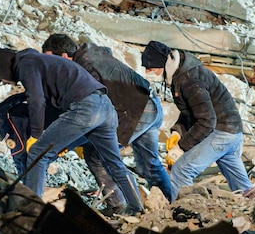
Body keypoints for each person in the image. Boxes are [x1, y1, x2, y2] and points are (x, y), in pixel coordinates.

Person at [0, 47, 144, 213]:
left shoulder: (26, 64)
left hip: (85, 107)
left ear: (1, 67)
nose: (2, 82)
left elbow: (37, 101)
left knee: (37, 154)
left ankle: (30, 211)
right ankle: (137, 208)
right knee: (114, 164)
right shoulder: (39, 61)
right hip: (106, 107)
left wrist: (36, 135)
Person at [41, 34, 173, 201]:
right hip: (149, 103)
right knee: (150, 163)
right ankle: (171, 201)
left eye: (51, 60)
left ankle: (123, 205)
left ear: (65, 56)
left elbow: (89, 110)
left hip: (134, 112)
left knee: (101, 156)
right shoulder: (91, 54)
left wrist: (65, 141)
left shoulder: (84, 67)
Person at [140, 40, 255, 201]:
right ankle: (254, 206)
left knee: (181, 169)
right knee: (243, 188)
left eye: (152, 68)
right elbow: (191, 111)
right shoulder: (182, 73)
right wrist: (177, 132)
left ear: (163, 64)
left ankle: (185, 212)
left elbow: (207, 121)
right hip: (232, 131)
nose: (151, 72)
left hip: (222, 131)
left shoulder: (189, 79)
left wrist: (181, 147)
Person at [0, 93, 129, 212]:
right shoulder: (9, 111)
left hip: (76, 123)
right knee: (96, 159)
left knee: (37, 160)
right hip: (91, 117)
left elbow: (23, 158)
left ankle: (32, 208)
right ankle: (120, 203)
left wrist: (23, 192)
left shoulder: (7, 123)